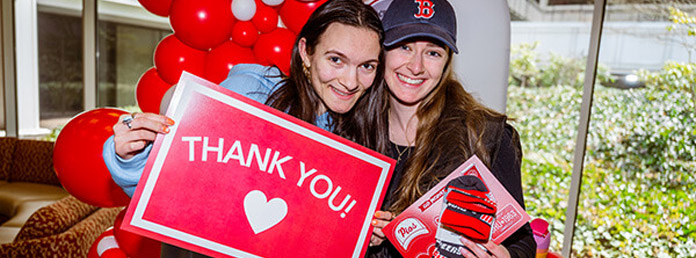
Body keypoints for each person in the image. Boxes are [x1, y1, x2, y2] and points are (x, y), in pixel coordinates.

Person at [102, 0, 386, 256]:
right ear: (306, 53)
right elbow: (177, 184)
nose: (351, 81)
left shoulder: (361, 135)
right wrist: (131, 156)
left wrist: (358, 233)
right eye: (336, 60)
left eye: (367, 66)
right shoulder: (251, 94)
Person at [366, 0, 536, 257]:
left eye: (433, 52)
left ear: (447, 62)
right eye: (404, 47)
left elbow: (523, 241)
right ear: (382, 52)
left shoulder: (486, 136)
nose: (416, 66)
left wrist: (505, 256)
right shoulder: (353, 130)